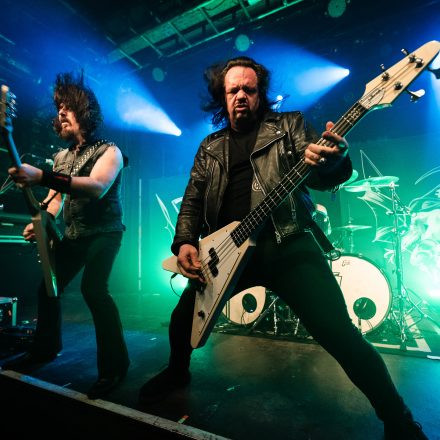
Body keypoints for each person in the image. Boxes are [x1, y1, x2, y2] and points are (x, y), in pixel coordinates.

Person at [139, 57, 427, 439]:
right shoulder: (210, 147)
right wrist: (184, 242)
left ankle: (399, 420)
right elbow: (192, 199)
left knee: (341, 336)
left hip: (288, 245)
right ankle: (178, 373)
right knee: (181, 319)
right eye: (233, 90)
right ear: (222, 97)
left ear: (260, 94)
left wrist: (333, 161)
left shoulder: (289, 126)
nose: (241, 95)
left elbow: (323, 176)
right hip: (226, 253)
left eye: (249, 89)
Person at [3, 72, 129, 399]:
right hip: (75, 236)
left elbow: (97, 187)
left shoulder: (110, 151)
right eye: (58, 107)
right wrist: (43, 219)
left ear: (84, 110)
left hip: (105, 233)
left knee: (94, 290)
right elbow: (56, 200)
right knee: (48, 287)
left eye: (67, 106)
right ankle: (45, 349)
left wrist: (42, 176)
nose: (60, 112)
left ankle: (115, 367)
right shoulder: (61, 157)